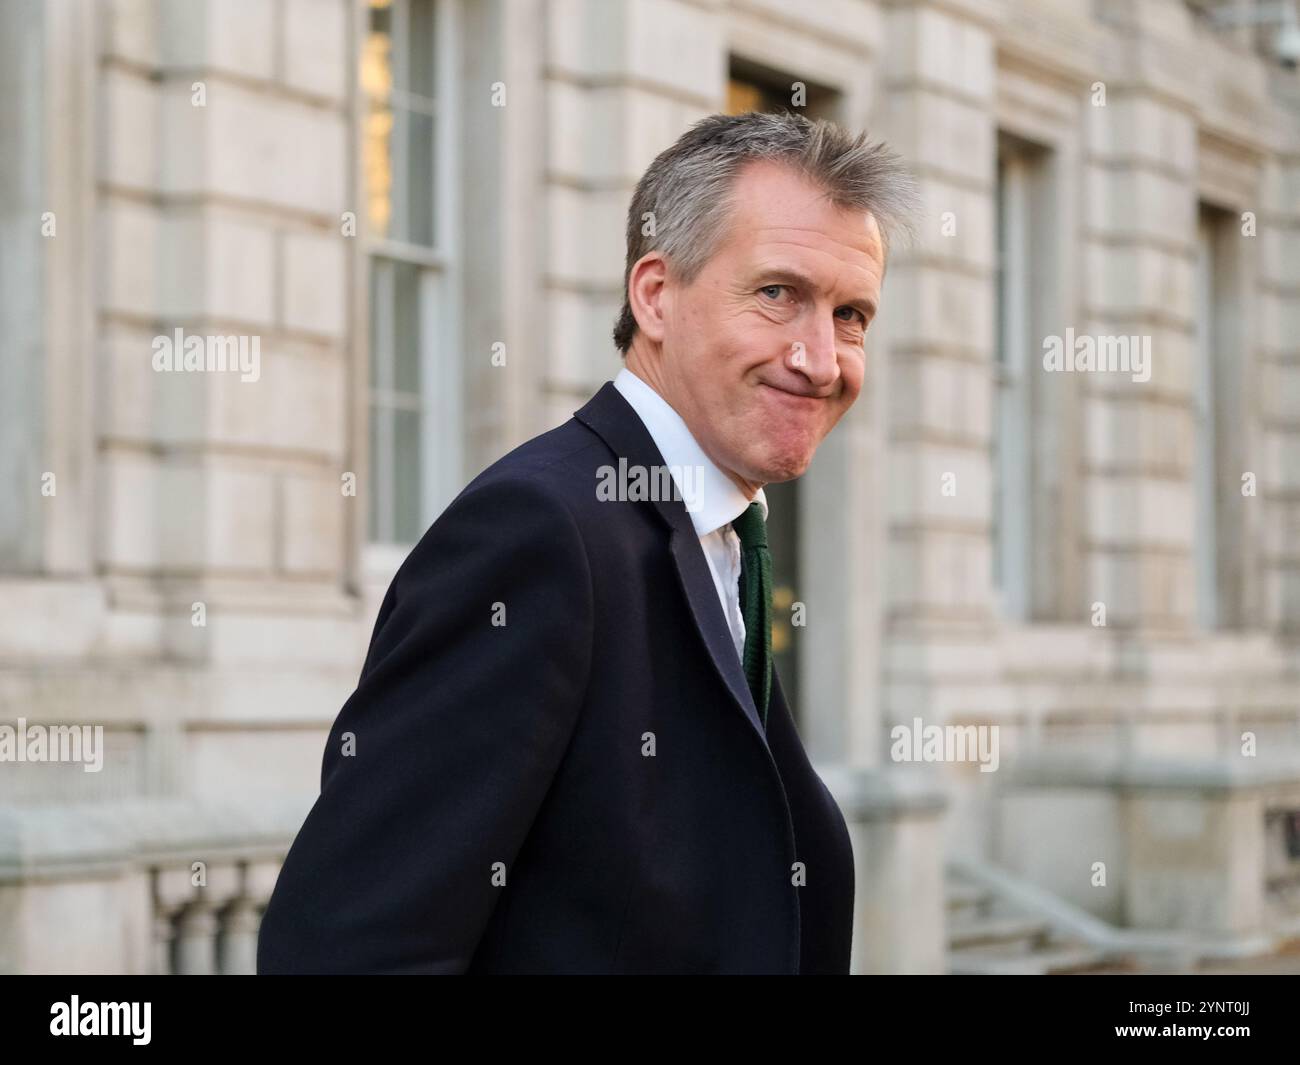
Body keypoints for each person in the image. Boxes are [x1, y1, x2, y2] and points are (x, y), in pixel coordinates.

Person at [257, 110, 916, 974]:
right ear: (655, 296)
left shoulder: (720, 535)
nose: (821, 358)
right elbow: (346, 951)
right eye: (777, 294)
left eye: (852, 314)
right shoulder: (538, 533)